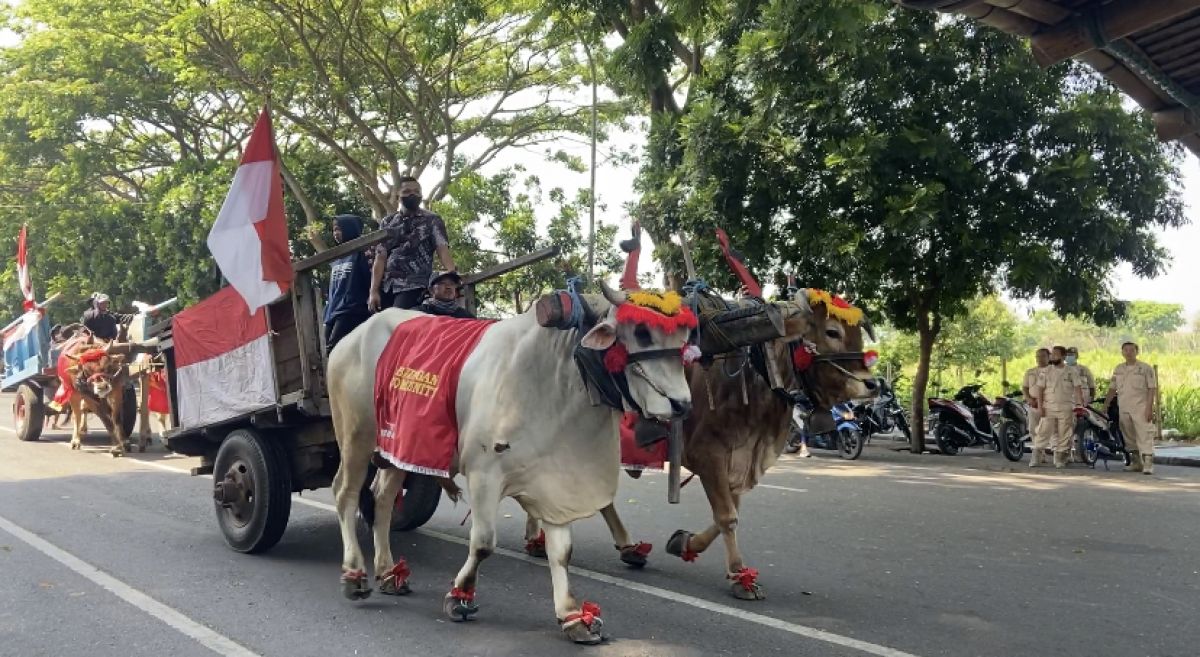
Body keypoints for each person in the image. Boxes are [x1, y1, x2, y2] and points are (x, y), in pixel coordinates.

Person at [369, 176, 456, 312]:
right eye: (407, 191)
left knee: (398, 319)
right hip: (387, 286)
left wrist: (452, 275)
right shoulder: (388, 222)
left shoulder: (432, 220)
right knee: (379, 320)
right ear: (398, 196)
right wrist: (373, 291)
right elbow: (380, 257)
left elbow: (442, 249)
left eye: (416, 191)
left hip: (415, 284)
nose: (412, 195)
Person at [1103, 340, 1158, 475]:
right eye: (1125, 350)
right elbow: (1112, 388)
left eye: (1131, 350)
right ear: (1122, 352)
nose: (1128, 353)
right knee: (1128, 435)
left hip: (1141, 407)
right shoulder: (1119, 369)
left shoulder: (1145, 368)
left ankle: (1148, 463)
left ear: (1137, 352)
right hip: (1124, 407)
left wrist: (1149, 408)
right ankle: (1136, 462)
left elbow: (1152, 389)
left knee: (1144, 434)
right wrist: (1106, 404)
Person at [323, 214, 373, 355]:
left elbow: (369, 279)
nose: (335, 233)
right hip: (333, 311)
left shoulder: (362, 252)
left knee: (333, 349)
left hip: (351, 309)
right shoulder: (336, 257)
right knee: (325, 349)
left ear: (349, 228)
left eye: (338, 229)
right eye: (334, 230)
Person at [1033, 345, 1084, 469]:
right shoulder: (1046, 371)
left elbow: (1077, 389)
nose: (1053, 356)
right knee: (1043, 432)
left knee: (1064, 434)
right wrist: (1040, 407)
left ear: (1063, 356)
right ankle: (1036, 457)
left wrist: (1079, 404)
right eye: (1052, 354)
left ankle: (1060, 459)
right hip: (1049, 407)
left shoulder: (1071, 371)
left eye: (1056, 354)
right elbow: (1040, 390)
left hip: (1066, 407)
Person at [1022, 348, 1050, 467]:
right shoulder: (1030, 372)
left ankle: (1037, 455)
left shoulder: (1054, 371)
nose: (1040, 359)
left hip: (1049, 405)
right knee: (1033, 430)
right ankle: (1040, 454)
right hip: (1033, 404)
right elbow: (1025, 387)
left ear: (1049, 357)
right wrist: (1029, 399)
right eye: (1037, 356)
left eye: (1043, 356)